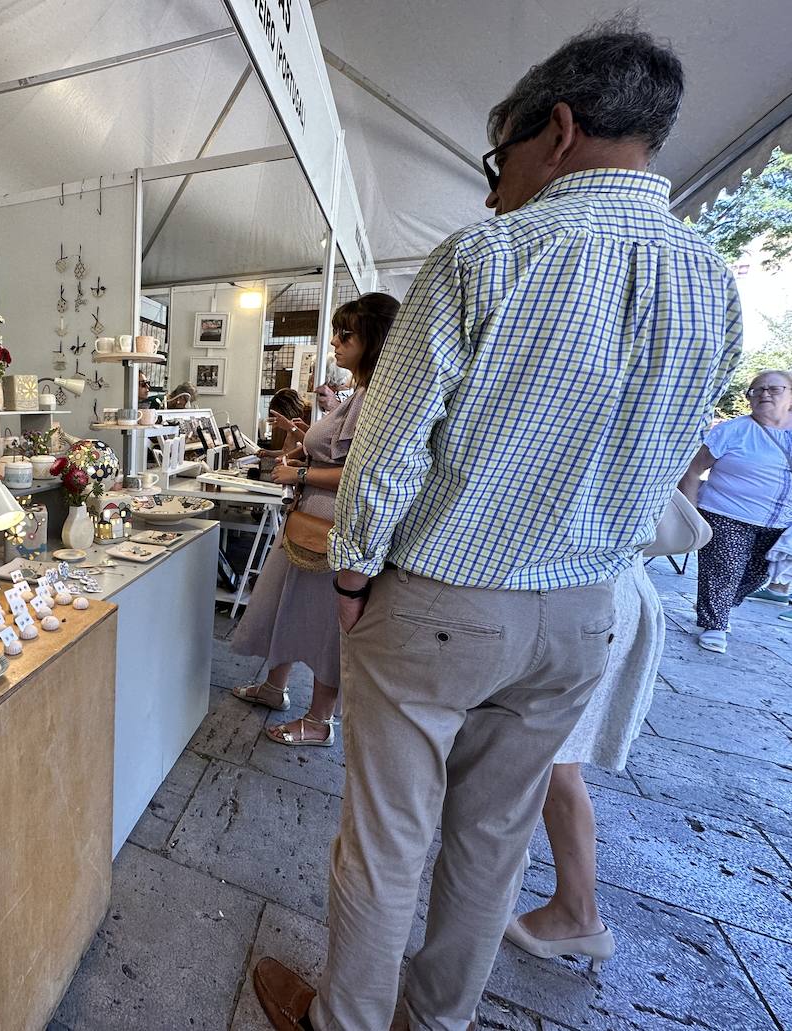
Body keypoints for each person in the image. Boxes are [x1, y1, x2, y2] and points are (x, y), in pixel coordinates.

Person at [252, 21, 741, 1031]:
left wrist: (351, 576)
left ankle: (343, 1022)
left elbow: (388, 450)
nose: (491, 184)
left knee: (388, 838)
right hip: (585, 609)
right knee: (492, 844)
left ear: (556, 129)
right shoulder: (713, 283)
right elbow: (673, 457)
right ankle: (436, 1023)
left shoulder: (491, 253)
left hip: (445, 597)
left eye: (500, 155)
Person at [231, 294, 399, 745]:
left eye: (346, 335)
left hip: (330, 532)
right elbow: (342, 450)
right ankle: (274, 687)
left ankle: (320, 720)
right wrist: (307, 440)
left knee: (326, 625)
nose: (336, 343)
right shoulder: (361, 391)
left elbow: (365, 473)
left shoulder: (376, 396)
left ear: (373, 339)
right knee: (284, 606)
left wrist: (301, 471)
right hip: (308, 524)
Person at [502, 552, 663, 970]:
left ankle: (578, 913)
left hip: (585, 600)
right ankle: (514, 858)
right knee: (548, 758)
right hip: (606, 590)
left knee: (557, 764)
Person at [679, 370, 792, 652]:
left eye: (774, 389)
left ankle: (718, 604)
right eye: (756, 390)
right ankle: (714, 625)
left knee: (758, 575)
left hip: (780, 521)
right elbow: (693, 471)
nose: (764, 394)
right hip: (726, 513)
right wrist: (691, 515)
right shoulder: (732, 430)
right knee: (724, 570)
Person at [259, 388, 312, 457]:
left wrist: (291, 428)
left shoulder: (313, 417)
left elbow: (312, 447)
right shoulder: (292, 422)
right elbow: (286, 451)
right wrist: (267, 453)